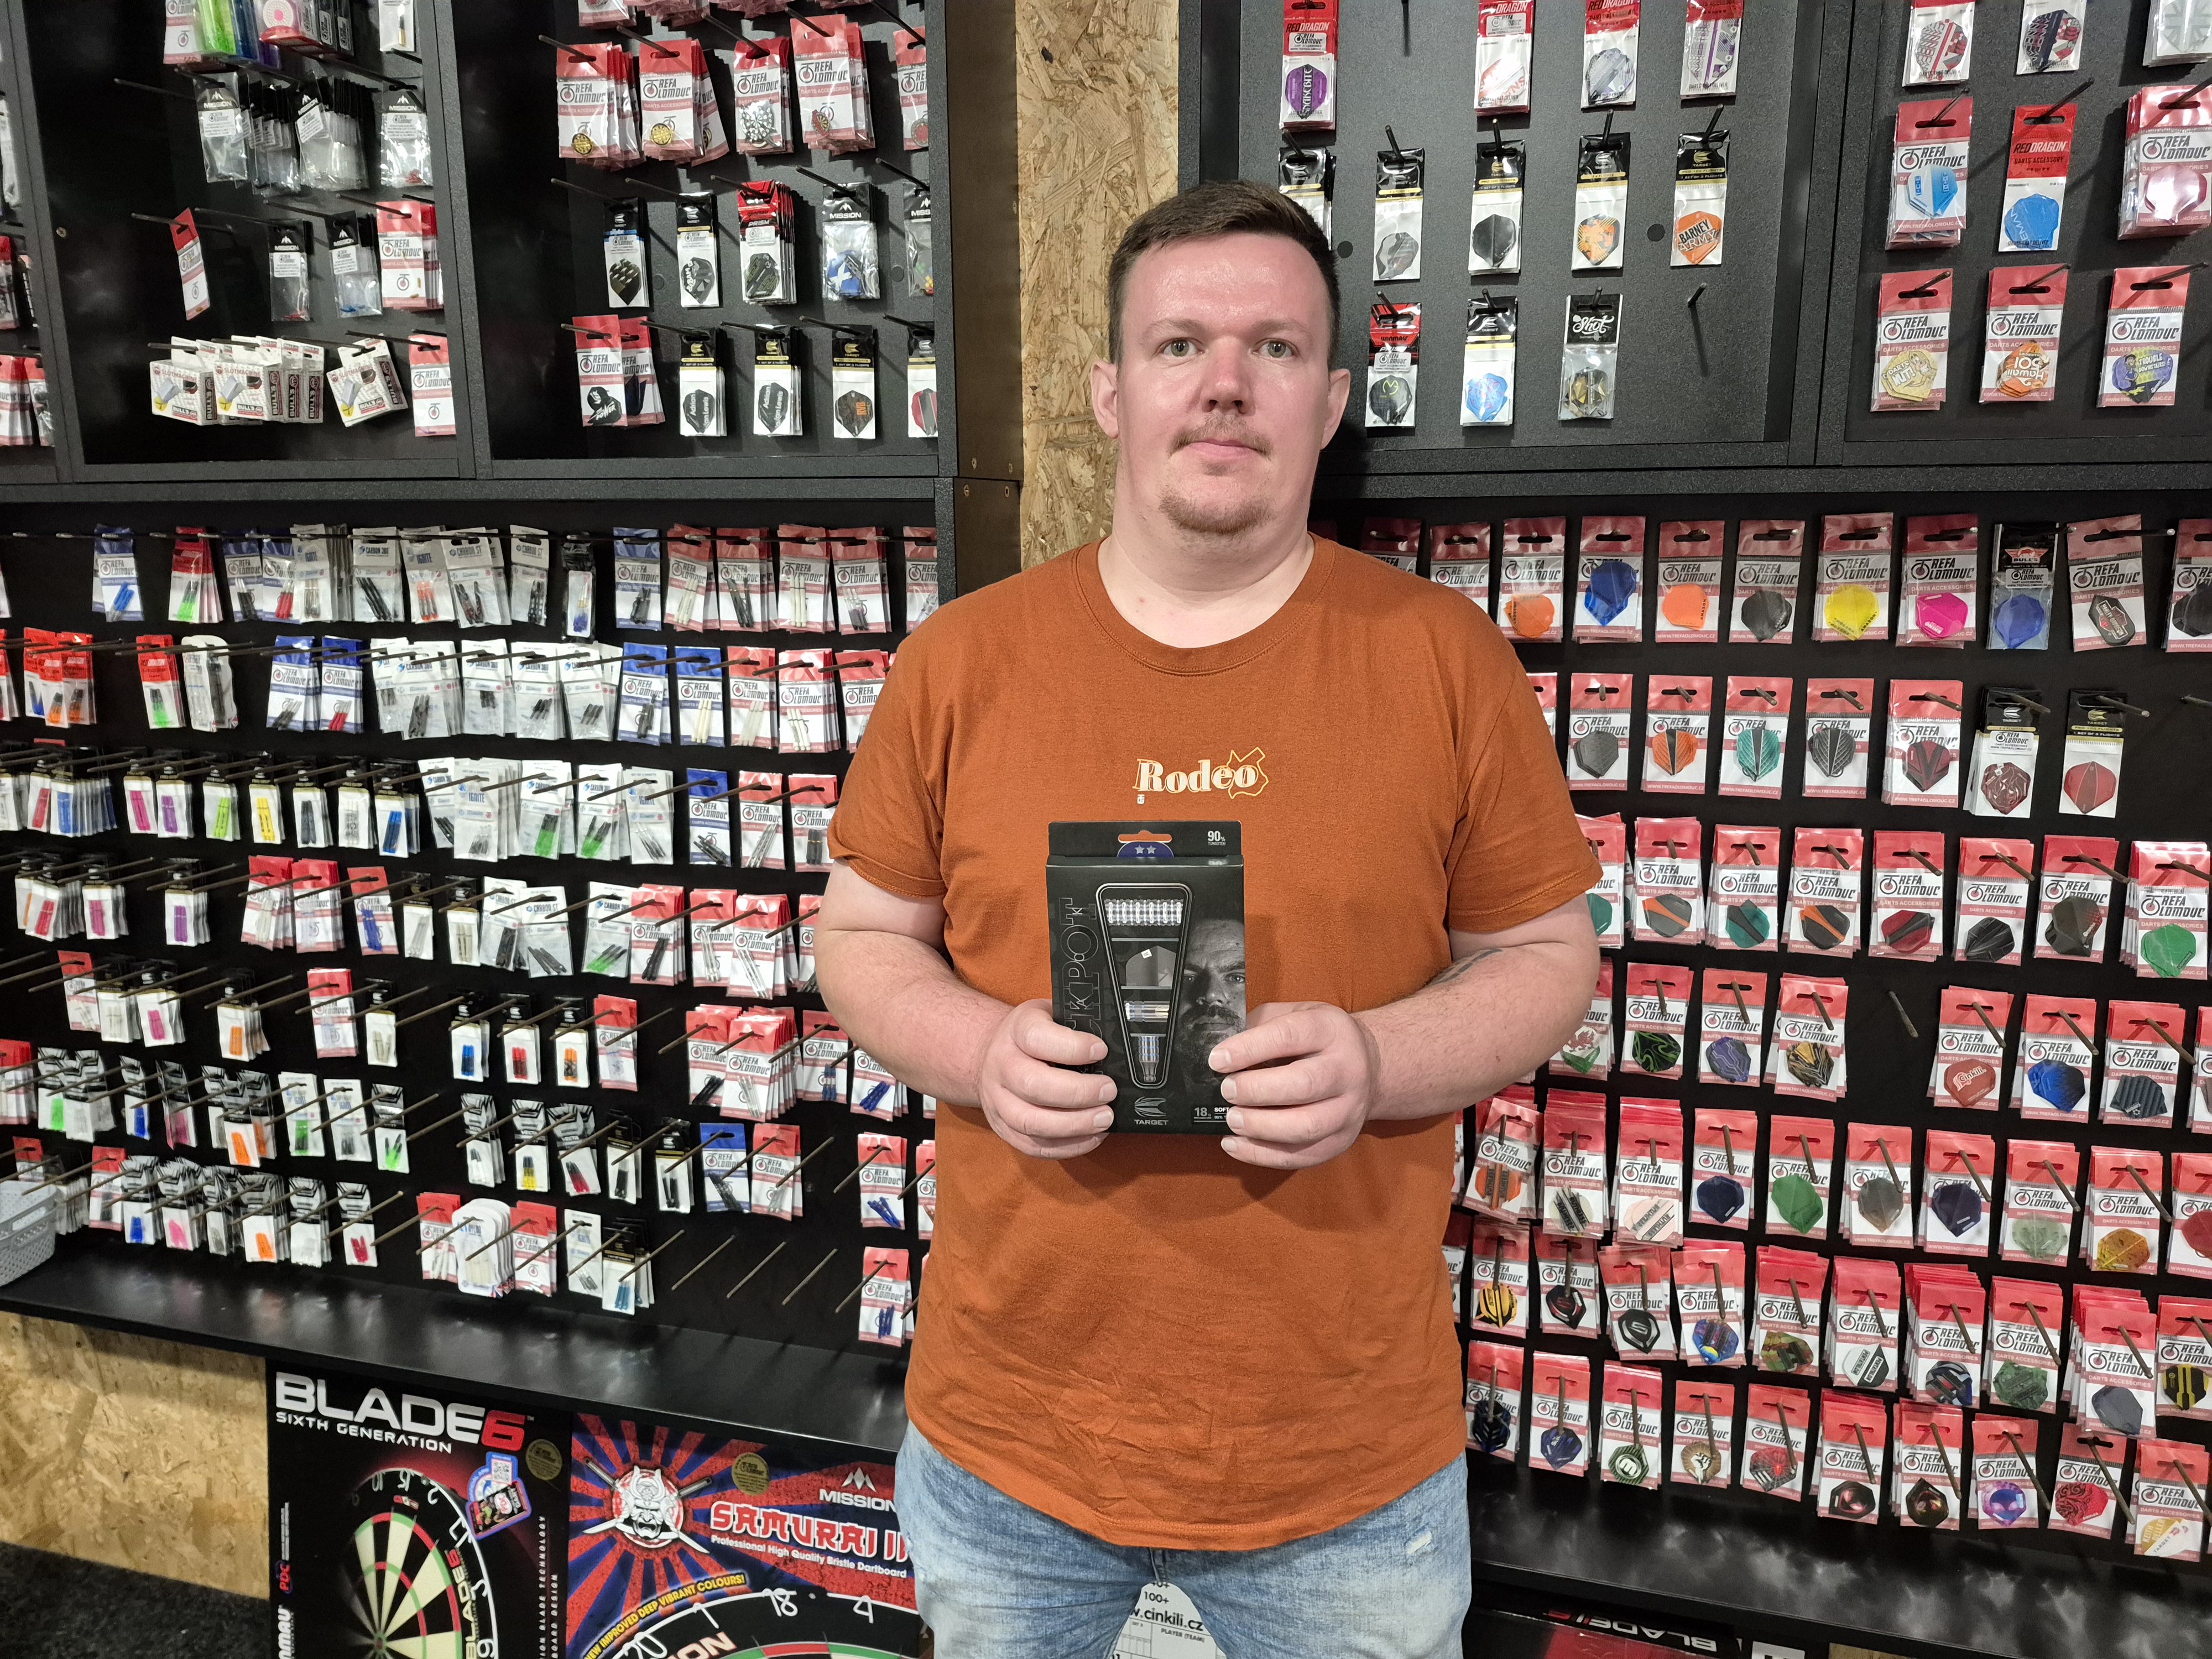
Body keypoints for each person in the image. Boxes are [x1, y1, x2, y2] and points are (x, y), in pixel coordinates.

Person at [815, 179, 1600, 1658]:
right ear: (1112, 394)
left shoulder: (1446, 660)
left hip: (1346, 1471)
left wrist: (1378, 1062)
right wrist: (982, 1052)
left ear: (1333, 401)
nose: (1225, 384)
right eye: (1179, 345)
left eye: (1275, 349)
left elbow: (1551, 961)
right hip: (1007, 1453)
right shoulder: (962, 662)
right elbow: (857, 940)